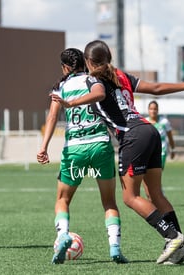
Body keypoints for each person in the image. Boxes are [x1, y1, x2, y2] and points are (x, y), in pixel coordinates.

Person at [51, 40, 184, 264]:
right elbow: (155, 88)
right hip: (150, 131)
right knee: (155, 194)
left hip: (133, 136)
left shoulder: (93, 79)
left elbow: (97, 93)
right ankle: (179, 245)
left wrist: (71, 102)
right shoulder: (121, 75)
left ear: (88, 62)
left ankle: (173, 236)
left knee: (130, 197)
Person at [37, 48, 128, 264]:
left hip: (75, 149)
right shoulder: (92, 79)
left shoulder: (60, 87)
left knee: (62, 199)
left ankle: (62, 237)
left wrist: (44, 146)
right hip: (99, 145)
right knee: (109, 202)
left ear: (65, 67)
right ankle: (114, 247)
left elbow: (52, 117)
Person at [146, 100, 176, 169]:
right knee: (146, 173)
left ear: (158, 110)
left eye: (155, 109)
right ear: (148, 110)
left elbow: (170, 137)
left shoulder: (164, 122)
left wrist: (173, 150)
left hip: (161, 151)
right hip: (148, 151)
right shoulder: (145, 122)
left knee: (158, 171)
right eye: (151, 109)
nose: (153, 111)